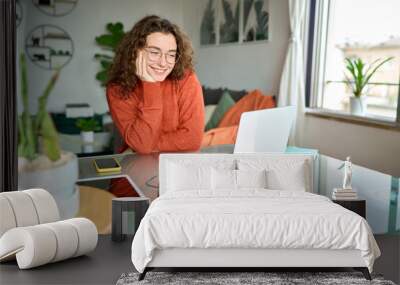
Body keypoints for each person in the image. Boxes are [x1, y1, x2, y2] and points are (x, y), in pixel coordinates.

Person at [106, 15, 205, 197]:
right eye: (154, 52)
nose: (163, 63)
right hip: (136, 167)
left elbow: (193, 138)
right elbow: (142, 147)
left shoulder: (186, 79)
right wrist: (150, 85)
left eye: (171, 54)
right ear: (136, 51)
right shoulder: (118, 88)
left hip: (180, 167)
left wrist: (148, 143)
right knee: (129, 217)